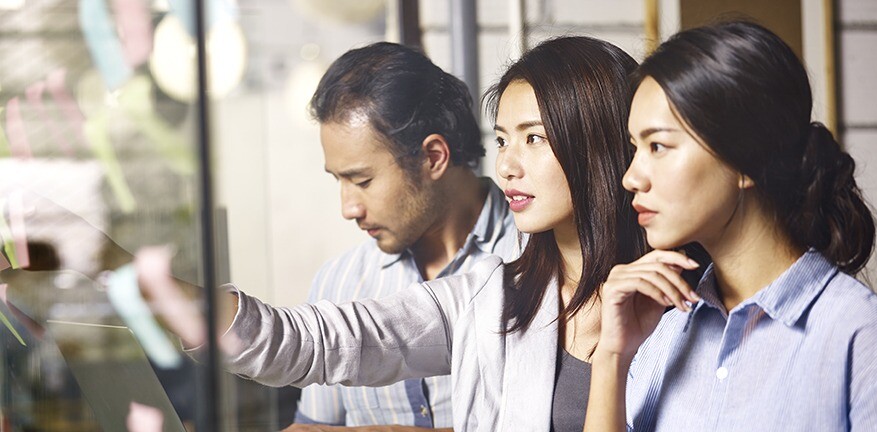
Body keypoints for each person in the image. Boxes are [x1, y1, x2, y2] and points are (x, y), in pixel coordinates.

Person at [140, 35, 644, 431]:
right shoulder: (488, 296)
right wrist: (156, 287)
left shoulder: (676, 299)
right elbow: (312, 342)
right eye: (501, 140)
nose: (508, 165)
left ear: (594, 143)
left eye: (533, 138)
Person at [585, 21, 877, 432]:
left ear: (746, 157)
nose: (631, 178)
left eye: (658, 146)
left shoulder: (858, 332)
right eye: (636, 149)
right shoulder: (668, 330)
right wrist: (612, 359)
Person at [292, 42, 519, 430]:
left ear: (433, 157)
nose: (348, 208)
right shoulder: (338, 282)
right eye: (339, 180)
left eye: (362, 180)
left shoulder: (538, 260)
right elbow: (314, 426)